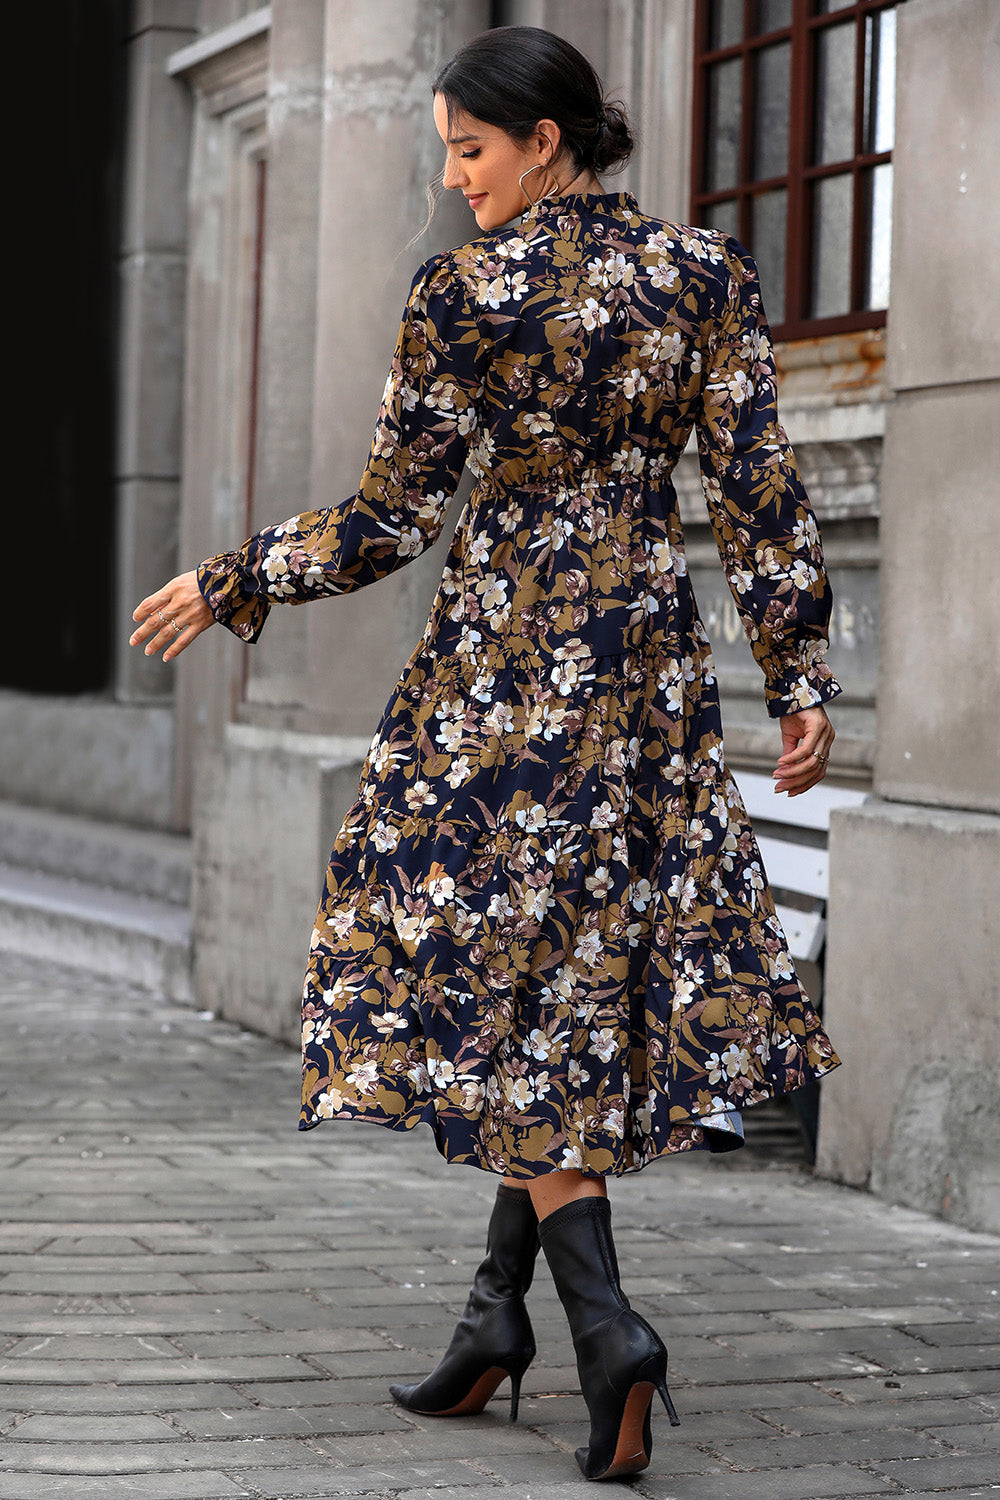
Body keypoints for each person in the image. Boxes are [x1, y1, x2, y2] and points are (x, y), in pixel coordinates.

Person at [131, 25, 842, 1482]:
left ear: (549, 137)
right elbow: (761, 490)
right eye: (447, 155)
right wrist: (804, 670)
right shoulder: (704, 277)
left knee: (474, 983)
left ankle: (605, 1326)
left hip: (505, 692)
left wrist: (238, 573)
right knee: (563, 984)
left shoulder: (466, 295)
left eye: (471, 151)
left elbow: (393, 519)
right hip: (647, 687)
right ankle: (492, 1324)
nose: (457, 185)